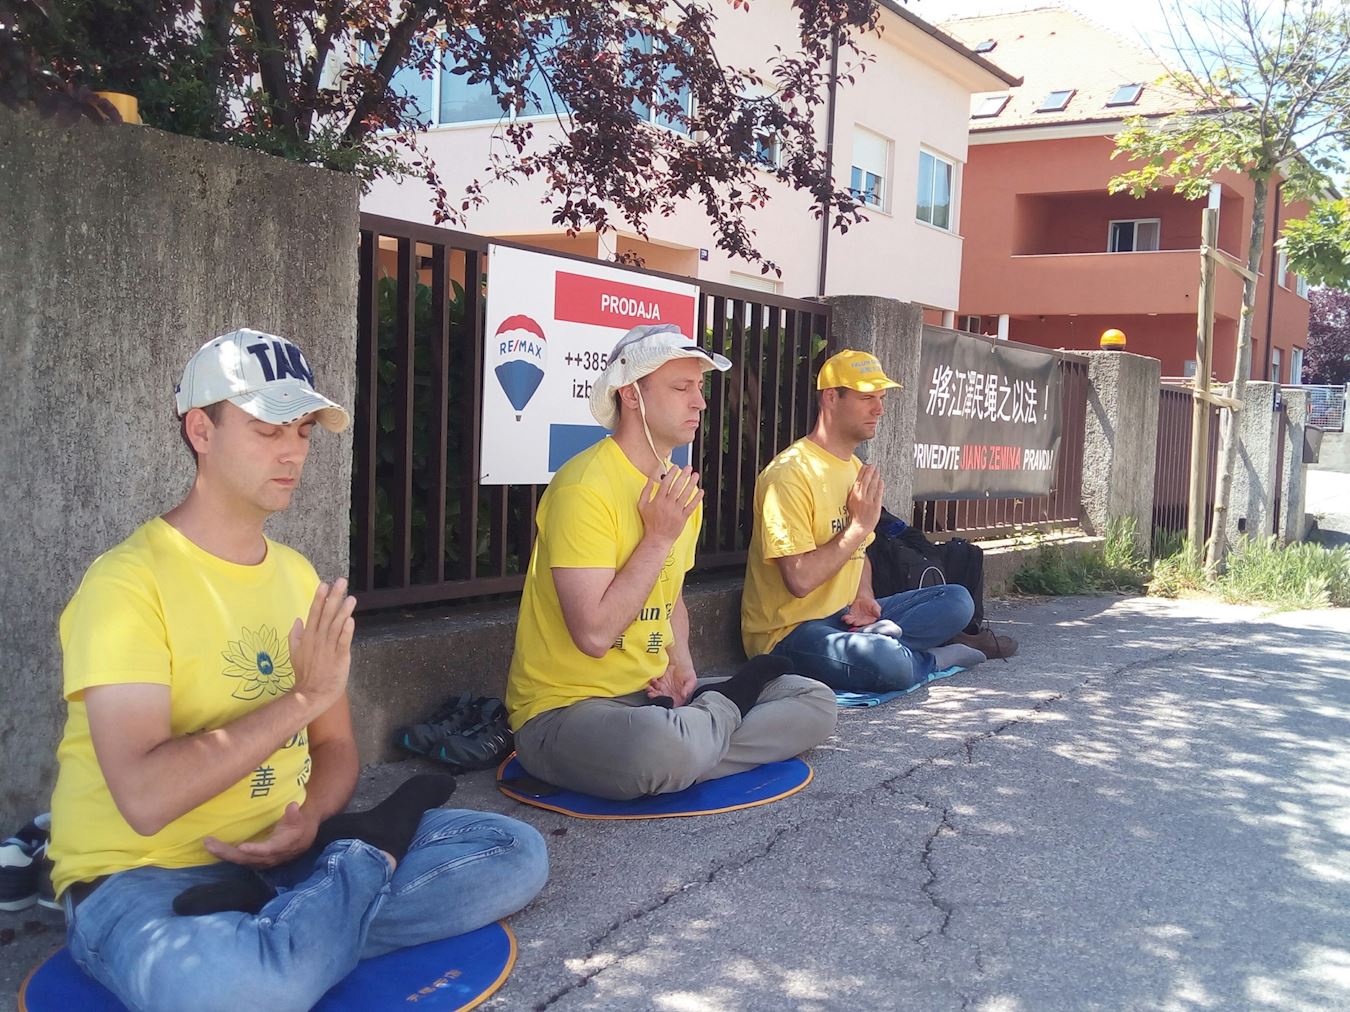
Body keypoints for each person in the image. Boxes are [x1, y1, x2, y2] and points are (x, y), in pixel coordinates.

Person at [48, 329, 548, 1012]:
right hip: (142, 876)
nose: (293, 453)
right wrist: (301, 697)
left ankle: (313, 896)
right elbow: (143, 796)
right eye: (266, 429)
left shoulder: (295, 575)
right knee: (235, 991)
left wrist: (311, 818)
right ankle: (358, 871)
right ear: (201, 429)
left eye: (305, 432)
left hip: (294, 855)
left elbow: (336, 747)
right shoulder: (125, 585)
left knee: (513, 849)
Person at [505, 324, 837, 801]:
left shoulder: (678, 489)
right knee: (659, 750)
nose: (700, 403)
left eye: (699, 388)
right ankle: (720, 713)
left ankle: (696, 734)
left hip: (655, 696)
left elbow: (670, 597)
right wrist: (658, 537)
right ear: (632, 395)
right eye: (682, 388)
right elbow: (594, 634)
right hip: (565, 711)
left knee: (815, 701)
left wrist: (684, 670)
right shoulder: (583, 488)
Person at [741, 349, 1016, 694]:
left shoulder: (855, 468)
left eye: (881, 398)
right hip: (789, 632)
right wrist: (858, 526)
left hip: (845, 618)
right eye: (867, 398)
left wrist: (864, 596)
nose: (879, 409)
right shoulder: (790, 475)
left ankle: (888, 644)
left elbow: (861, 554)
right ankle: (933, 658)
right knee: (891, 663)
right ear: (831, 398)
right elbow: (799, 580)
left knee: (958, 601)